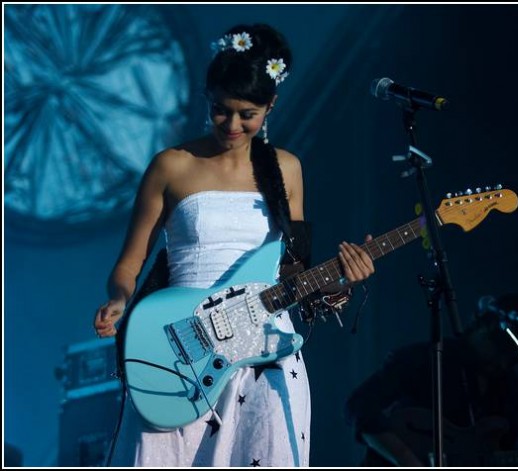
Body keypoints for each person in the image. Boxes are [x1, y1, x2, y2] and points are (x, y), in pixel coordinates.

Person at [93, 23, 375, 467]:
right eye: (221, 110)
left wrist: (341, 281)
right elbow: (130, 262)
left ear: (271, 106)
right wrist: (118, 299)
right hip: (179, 341)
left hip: (265, 345)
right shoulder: (172, 165)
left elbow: (294, 272)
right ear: (207, 99)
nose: (233, 124)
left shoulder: (287, 169)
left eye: (248, 113)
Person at [344, 293, 518, 467]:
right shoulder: (425, 358)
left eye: (514, 359)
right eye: (501, 348)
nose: (503, 362)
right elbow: (360, 406)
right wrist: (407, 460)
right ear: (484, 326)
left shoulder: (512, 389)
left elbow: (503, 452)